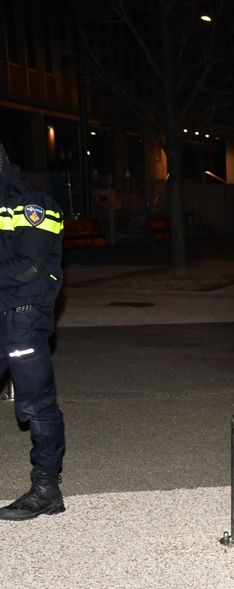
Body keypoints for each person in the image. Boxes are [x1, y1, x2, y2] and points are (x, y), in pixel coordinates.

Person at [0, 143, 67, 521]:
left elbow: (29, 266)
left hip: (23, 318)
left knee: (36, 406)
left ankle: (46, 488)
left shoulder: (32, 206)